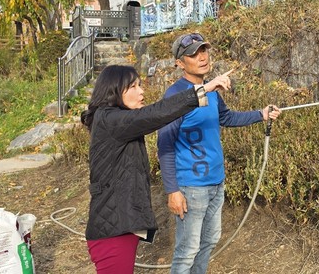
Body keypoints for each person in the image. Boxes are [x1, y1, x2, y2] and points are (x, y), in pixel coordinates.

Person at [81, 64, 233, 274]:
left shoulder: (114, 120)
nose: (141, 91)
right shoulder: (110, 120)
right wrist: (204, 89)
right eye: (133, 86)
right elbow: (155, 114)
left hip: (119, 226)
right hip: (113, 232)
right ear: (113, 90)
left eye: (140, 85)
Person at [157, 33, 281, 274]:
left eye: (204, 50)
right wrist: (172, 190)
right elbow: (165, 145)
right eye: (194, 54)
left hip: (216, 182)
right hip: (191, 186)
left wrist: (261, 114)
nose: (202, 57)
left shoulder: (212, 91)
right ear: (180, 63)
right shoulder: (175, 96)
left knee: (209, 241)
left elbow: (226, 117)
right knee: (187, 251)